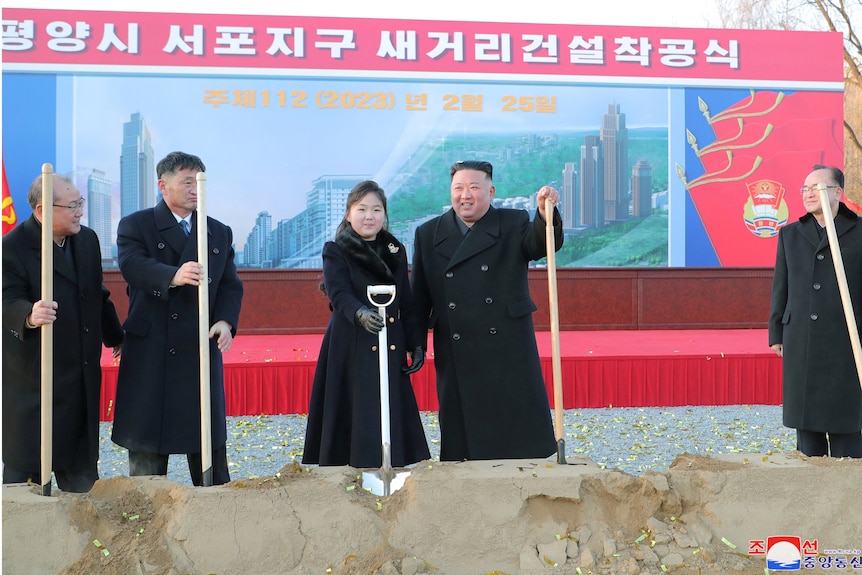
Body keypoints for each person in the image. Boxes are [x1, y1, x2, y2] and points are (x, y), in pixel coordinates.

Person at [410, 160, 563, 461]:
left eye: (474, 187)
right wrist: (414, 343)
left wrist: (546, 215)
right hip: (456, 344)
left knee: (516, 419)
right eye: (458, 188)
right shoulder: (429, 233)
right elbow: (419, 296)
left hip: (507, 340)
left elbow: (541, 244)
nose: (465, 195)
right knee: (463, 431)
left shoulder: (513, 222)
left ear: (491, 191)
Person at [111, 151, 244, 485]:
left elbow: (230, 284)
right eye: (187, 182)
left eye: (200, 181)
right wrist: (173, 274)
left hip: (198, 346)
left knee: (206, 444)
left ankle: (213, 510)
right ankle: (147, 513)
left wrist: (225, 321)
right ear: (162, 185)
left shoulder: (218, 231)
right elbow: (132, 266)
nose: (195, 189)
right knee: (148, 453)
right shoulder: (136, 224)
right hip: (151, 348)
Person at [2, 173, 124, 492]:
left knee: (82, 492)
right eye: (72, 206)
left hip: (79, 375)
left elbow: (96, 294)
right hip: (34, 382)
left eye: (80, 203)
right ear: (43, 210)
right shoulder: (11, 248)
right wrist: (28, 314)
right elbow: (6, 298)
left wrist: (116, 337)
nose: (80, 212)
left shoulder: (87, 240)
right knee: (24, 495)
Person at [302, 180, 430, 468]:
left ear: (384, 214)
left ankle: (391, 464)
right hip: (351, 341)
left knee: (389, 403)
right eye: (362, 209)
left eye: (376, 209)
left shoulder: (395, 250)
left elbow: (406, 300)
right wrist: (360, 313)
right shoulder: (336, 249)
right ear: (348, 214)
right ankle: (352, 465)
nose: (369, 216)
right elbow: (339, 292)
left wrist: (416, 343)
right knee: (354, 404)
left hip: (390, 339)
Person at [769, 164, 862, 458]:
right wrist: (776, 332)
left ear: (837, 193)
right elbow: (780, 287)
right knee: (807, 435)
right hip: (802, 339)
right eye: (805, 189)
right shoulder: (791, 235)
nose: (808, 194)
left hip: (847, 341)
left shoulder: (859, 231)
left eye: (816, 188)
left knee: (847, 427)